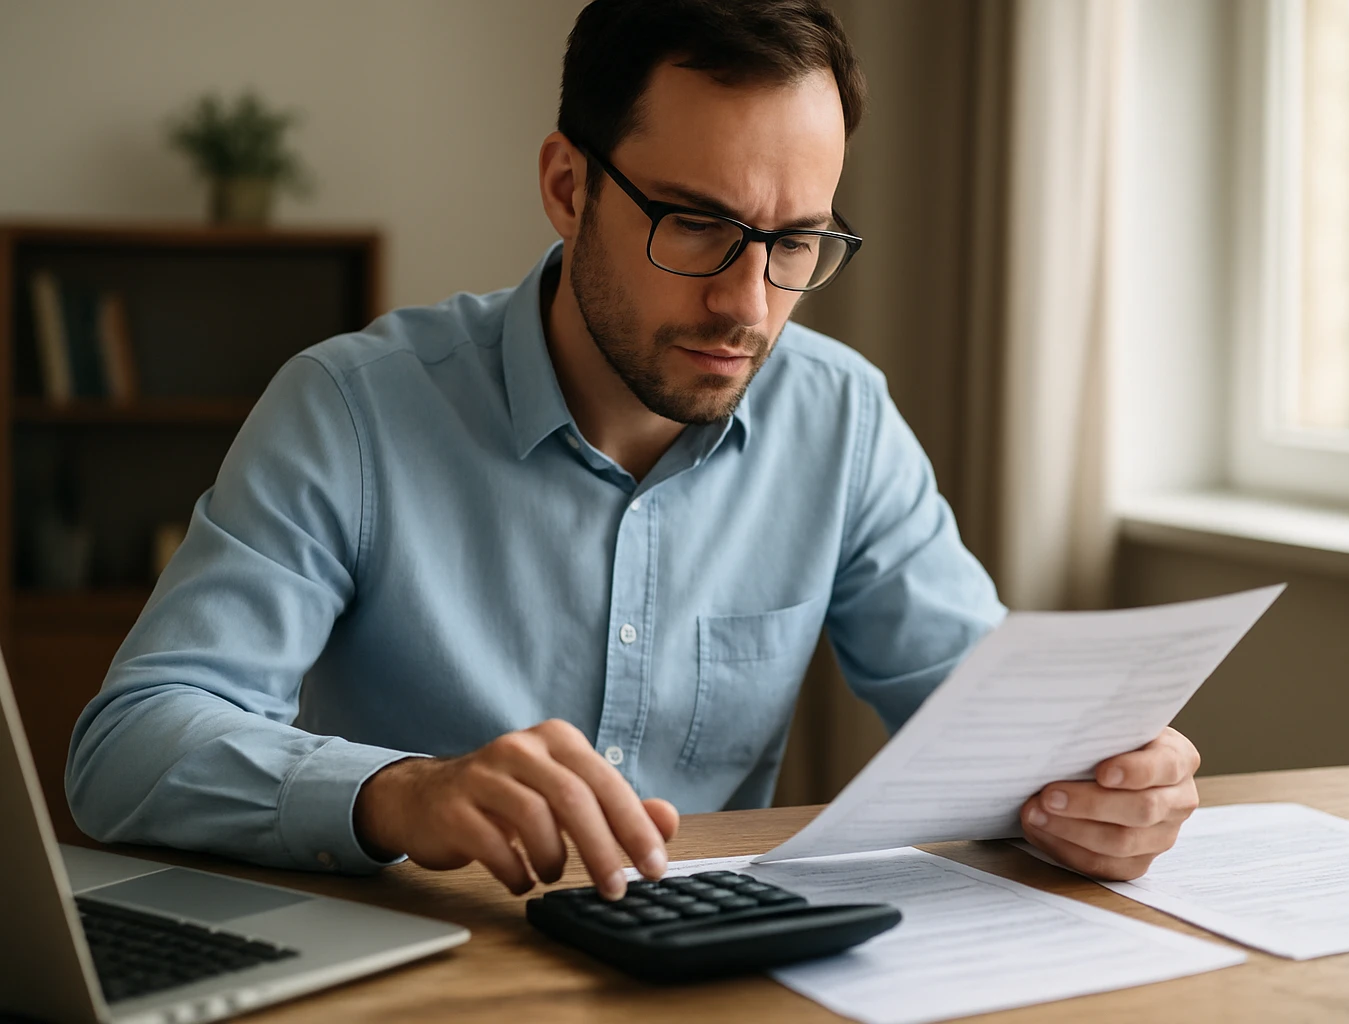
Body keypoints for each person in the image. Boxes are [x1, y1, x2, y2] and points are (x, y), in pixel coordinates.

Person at [66, 0, 1199, 902]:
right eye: (698, 225)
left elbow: (992, 730)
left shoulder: (841, 419)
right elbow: (126, 745)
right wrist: (401, 793)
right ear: (569, 186)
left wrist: (1105, 786)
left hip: (705, 978)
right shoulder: (350, 410)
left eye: (796, 240)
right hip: (427, 976)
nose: (748, 304)